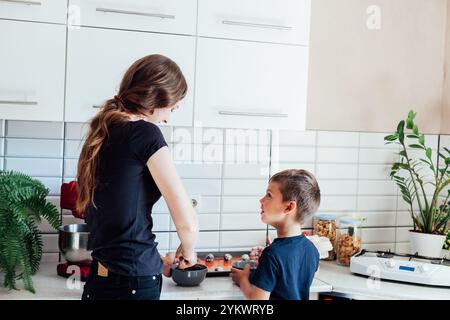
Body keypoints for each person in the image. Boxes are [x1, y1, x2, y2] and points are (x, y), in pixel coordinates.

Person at [76, 54, 199, 300]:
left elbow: (116, 219)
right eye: (171, 108)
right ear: (155, 100)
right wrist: (189, 251)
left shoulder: (103, 129)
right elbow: (186, 221)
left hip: (99, 280)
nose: (167, 118)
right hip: (133, 284)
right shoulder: (146, 134)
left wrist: (153, 260)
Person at [231, 169, 321, 300]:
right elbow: (296, 274)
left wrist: (242, 279)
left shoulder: (272, 254)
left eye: (269, 195)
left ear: (289, 207)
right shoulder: (312, 249)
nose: (261, 200)